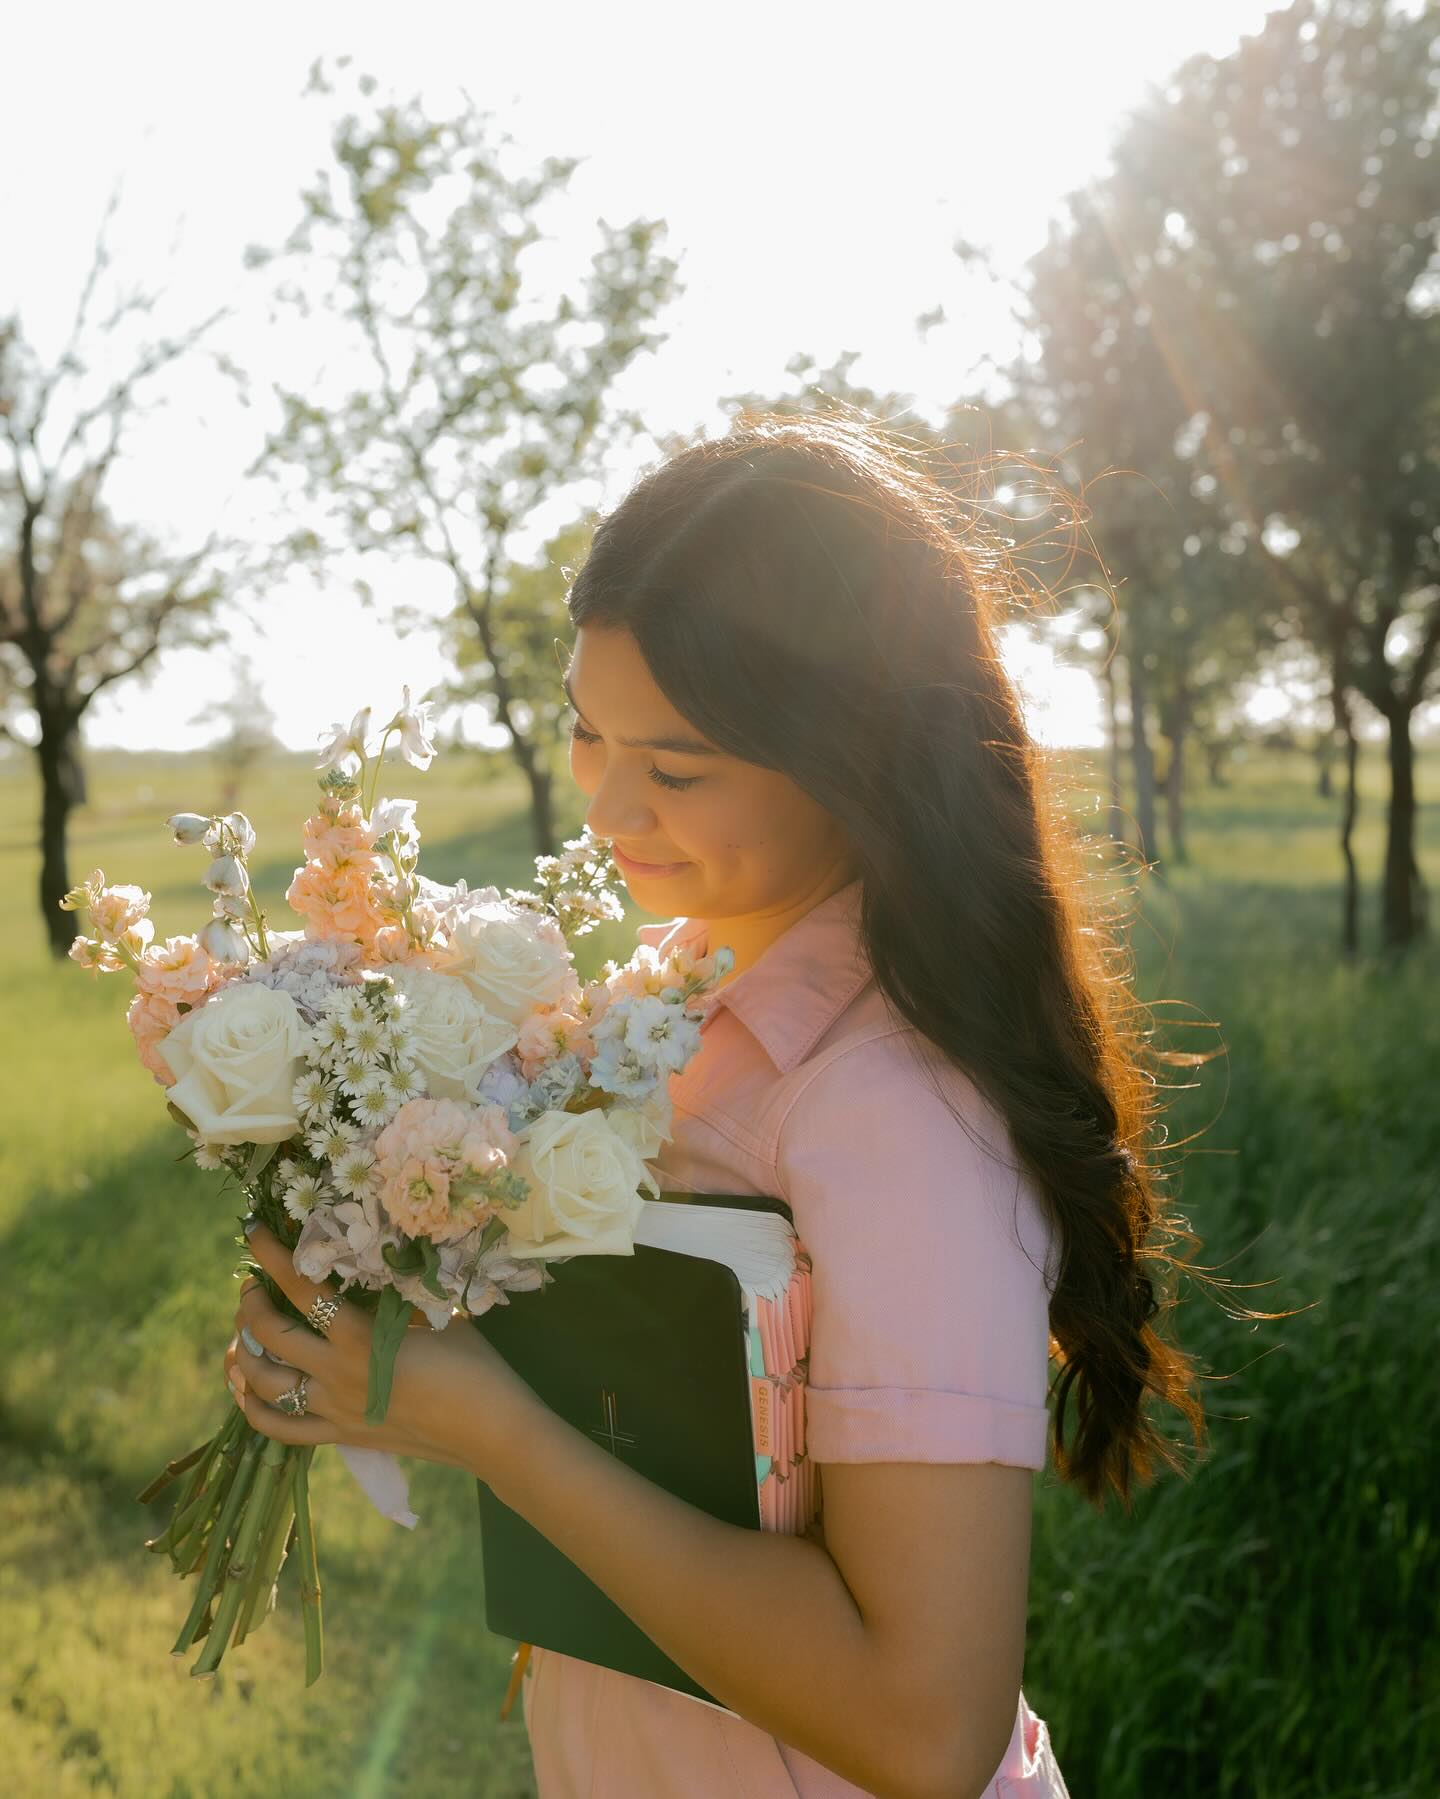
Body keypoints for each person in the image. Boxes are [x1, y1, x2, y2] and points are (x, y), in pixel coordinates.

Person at [227, 412, 1208, 1797]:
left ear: (852, 754)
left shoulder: (894, 1106)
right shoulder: (662, 1004)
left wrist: (485, 1427)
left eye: (675, 768)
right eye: (587, 732)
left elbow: (929, 1729)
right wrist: (383, 1339)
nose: (610, 807)